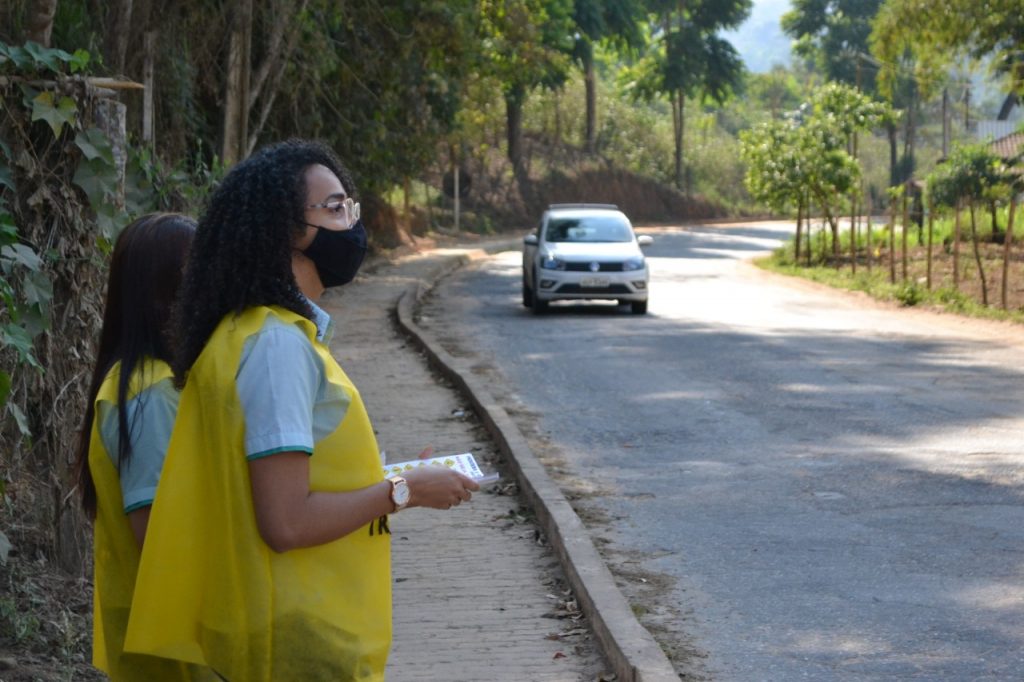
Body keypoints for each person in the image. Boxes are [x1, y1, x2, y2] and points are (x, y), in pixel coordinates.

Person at [124, 139, 478, 681]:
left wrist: (390, 476)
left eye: (349, 207)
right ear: (288, 229)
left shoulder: (246, 333)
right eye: (334, 208)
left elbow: (270, 483)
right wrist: (403, 492)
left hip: (274, 624)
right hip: (295, 632)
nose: (352, 224)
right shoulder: (277, 348)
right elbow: (284, 522)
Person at [74, 212, 213, 680]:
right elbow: (158, 537)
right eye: (200, 274)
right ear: (163, 295)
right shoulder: (151, 397)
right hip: (176, 655)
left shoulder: (140, 383)